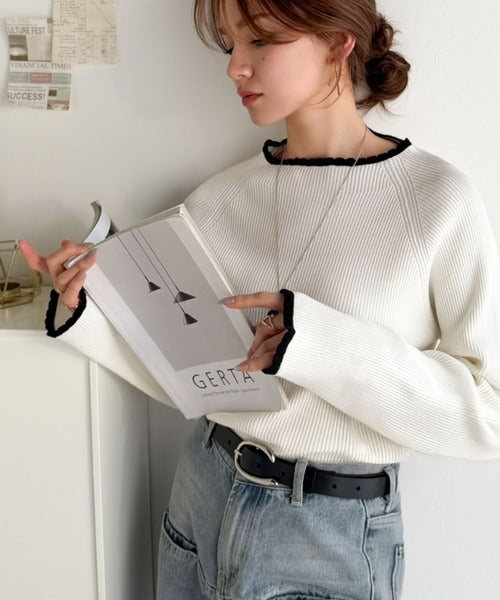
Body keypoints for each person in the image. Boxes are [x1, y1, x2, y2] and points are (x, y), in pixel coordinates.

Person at [19, 0, 500, 598]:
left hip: (331, 532)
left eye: (260, 42)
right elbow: (194, 378)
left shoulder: (436, 199)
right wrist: (84, 306)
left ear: (337, 42)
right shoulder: (215, 202)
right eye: (230, 46)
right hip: (202, 495)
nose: (234, 68)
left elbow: (489, 415)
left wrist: (320, 344)